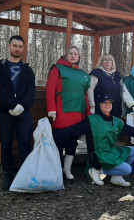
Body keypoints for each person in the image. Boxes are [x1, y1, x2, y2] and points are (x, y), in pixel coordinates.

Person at [52, 95, 134, 187]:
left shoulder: (116, 121)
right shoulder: (92, 120)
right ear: (99, 105)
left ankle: (116, 177)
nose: (107, 105)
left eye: (110, 103)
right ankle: (97, 170)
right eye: (104, 103)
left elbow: (132, 131)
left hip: (111, 152)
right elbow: (72, 130)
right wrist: (53, 134)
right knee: (127, 169)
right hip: (98, 156)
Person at [0, 35, 36, 190]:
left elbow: (31, 92)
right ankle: (8, 174)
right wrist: (11, 105)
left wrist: (22, 106)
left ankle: (24, 174)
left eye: (20, 46)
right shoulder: (0, 68)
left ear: (23, 49)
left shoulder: (28, 70)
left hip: (24, 113)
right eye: (15, 45)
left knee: (25, 142)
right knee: (6, 143)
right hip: (5, 111)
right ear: (9, 46)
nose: (17, 49)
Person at [46, 46, 91, 180]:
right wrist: (51, 109)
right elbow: (50, 89)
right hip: (61, 112)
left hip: (78, 113)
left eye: (75, 54)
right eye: (70, 53)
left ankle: (67, 169)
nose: (73, 56)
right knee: (58, 141)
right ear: (66, 55)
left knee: (73, 142)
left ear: (79, 57)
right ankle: (56, 169)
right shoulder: (57, 69)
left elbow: (85, 95)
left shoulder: (83, 73)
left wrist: (88, 113)